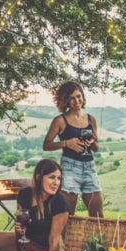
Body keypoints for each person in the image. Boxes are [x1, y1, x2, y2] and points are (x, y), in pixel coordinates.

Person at [42, 81, 103, 217]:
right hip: (69, 168)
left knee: (98, 216)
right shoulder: (60, 120)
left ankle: (97, 239)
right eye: (71, 98)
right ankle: (64, 239)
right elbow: (46, 145)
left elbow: (96, 148)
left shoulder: (90, 119)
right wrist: (66, 143)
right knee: (67, 216)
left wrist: (92, 142)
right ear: (66, 101)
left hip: (90, 168)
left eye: (79, 96)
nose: (76, 101)